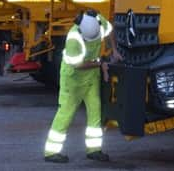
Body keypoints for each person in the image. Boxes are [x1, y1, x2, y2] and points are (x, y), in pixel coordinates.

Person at [44, 10, 122, 163]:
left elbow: (110, 30)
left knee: (95, 112)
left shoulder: (98, 21)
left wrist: (115, 50)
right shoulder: (73, 39)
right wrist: (101, 64)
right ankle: (51, 152)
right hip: (73, 80)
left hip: (91, 77)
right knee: (65, 114)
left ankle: (94, 150)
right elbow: (78, 65)